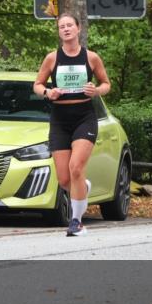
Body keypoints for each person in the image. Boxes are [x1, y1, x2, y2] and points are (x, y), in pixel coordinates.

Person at [34, 13, 111, 237]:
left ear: (78, 29)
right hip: (59, 118)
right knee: (65, 178)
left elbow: (106, 83)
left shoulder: (91, 58)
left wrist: (96, 90)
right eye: (62, 27)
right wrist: (49, 92)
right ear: (59, 32)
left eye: (70, 25)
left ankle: (76, 222)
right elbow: (37, 85)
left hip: (84, 116)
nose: (66, 29)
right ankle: (82, 189)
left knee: (76, 167)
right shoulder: (52, 58)